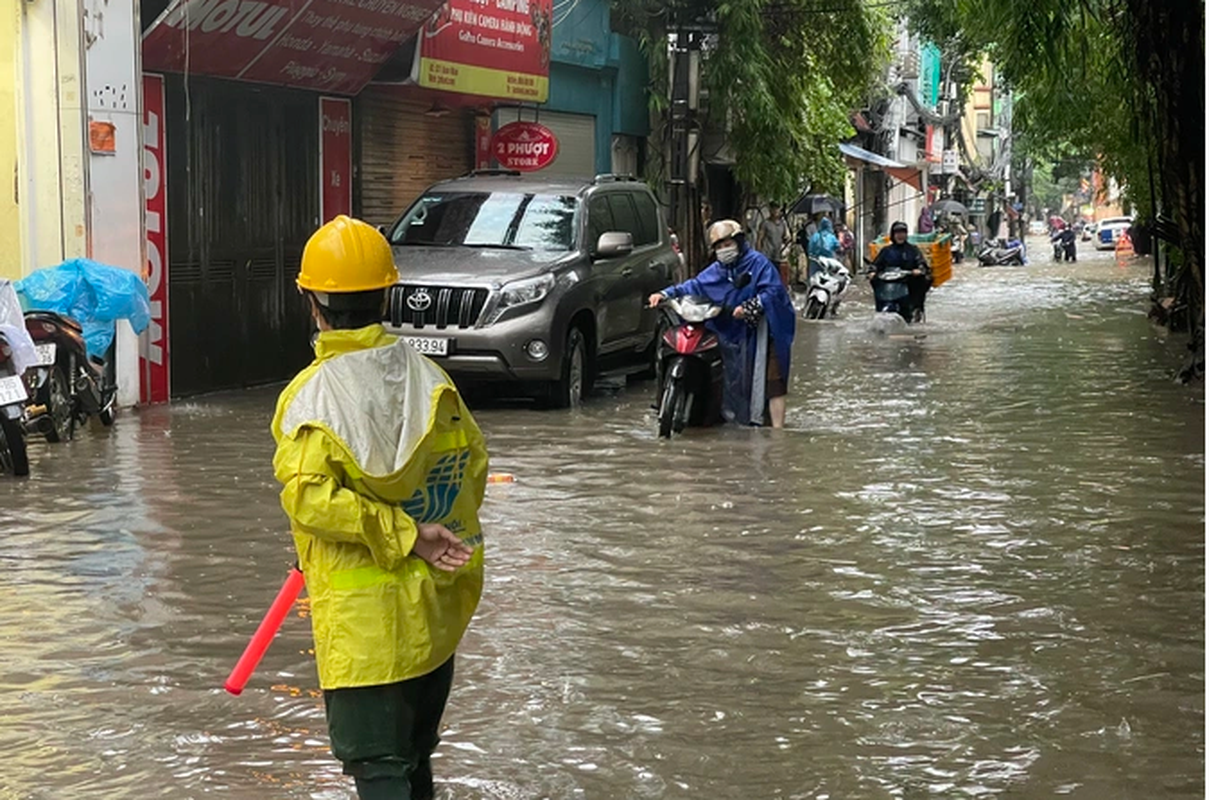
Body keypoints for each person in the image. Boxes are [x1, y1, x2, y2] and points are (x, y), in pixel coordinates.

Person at [272, 215, 488, 800]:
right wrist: (426, 540)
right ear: (387, 295)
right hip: (434, 621)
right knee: (414, 760)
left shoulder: (312, 396)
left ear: (313, 302)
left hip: (368, 636)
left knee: (377, 768)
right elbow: (469, 475)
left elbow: (311, 498)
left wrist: (402, 533)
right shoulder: (432, 380)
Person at [648, 220, 796, 429]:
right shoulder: (716, 271)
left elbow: (774, 292)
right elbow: (694, 286)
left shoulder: (759, 263)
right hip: (731, 332)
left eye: (727, 244)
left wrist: (750, 307)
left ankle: (777, 434)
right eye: (718, 247)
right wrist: (664, 294)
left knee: (773, 382)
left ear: (738, 241)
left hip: (763, 331)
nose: (723, 250)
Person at [865, 220, 933, 323]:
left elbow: (921, 263)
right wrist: (872, 272)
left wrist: (919, 270)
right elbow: (876, 264)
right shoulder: (886, 251)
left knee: (921, 283)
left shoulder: (913, 250)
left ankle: (915, 309)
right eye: (897, 233)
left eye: (902, 232)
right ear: (893, 234)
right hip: (888, 285)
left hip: (908, 283)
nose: (900, 235)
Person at [756, 202, 791, 286]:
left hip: (777, 255)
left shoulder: (783, 224)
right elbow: (759, 239)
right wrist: (758, 254)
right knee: (766, 277)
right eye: (773, 209)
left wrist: (787, 241)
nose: (775, 211)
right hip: (766, 255)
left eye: (777, 209)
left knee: (776, 278)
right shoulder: (765, 224)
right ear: (770, 210)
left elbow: (787, 237)